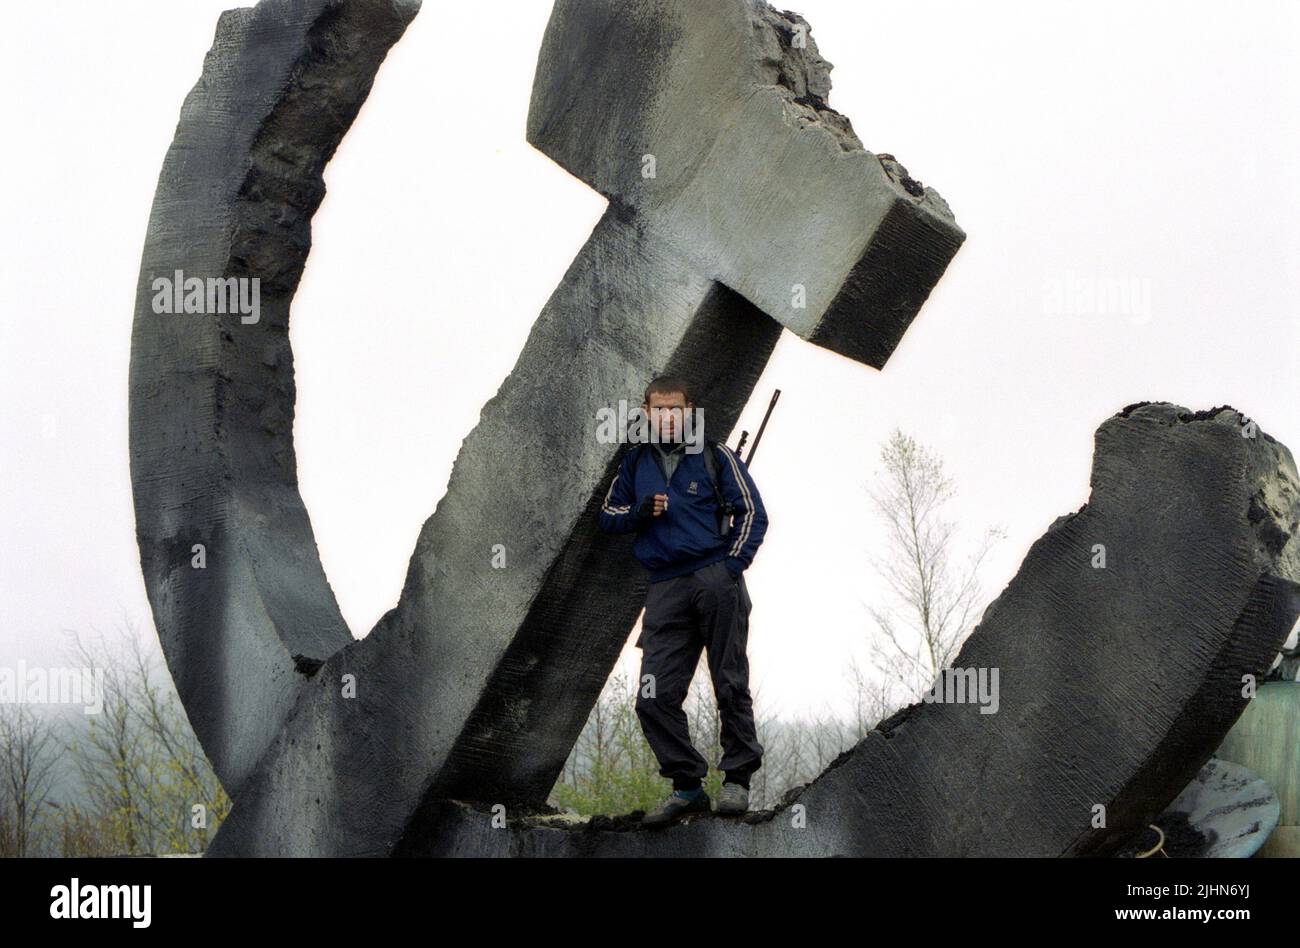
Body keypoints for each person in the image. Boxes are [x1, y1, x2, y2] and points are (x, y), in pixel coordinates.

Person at [597, 375, 768, 827]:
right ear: (647, 413)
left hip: (715, 579)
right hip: (665, 589)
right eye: (658, 410)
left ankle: (737, 780)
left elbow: (752, 511)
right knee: (652, 696)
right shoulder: (635, 463)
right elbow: (608, 516)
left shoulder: (717, 455)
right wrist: (639, 512)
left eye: (675, 409)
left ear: (688, 411)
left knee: (729, 681)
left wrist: (730, 568)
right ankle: (688, 787)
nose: (667, 417)